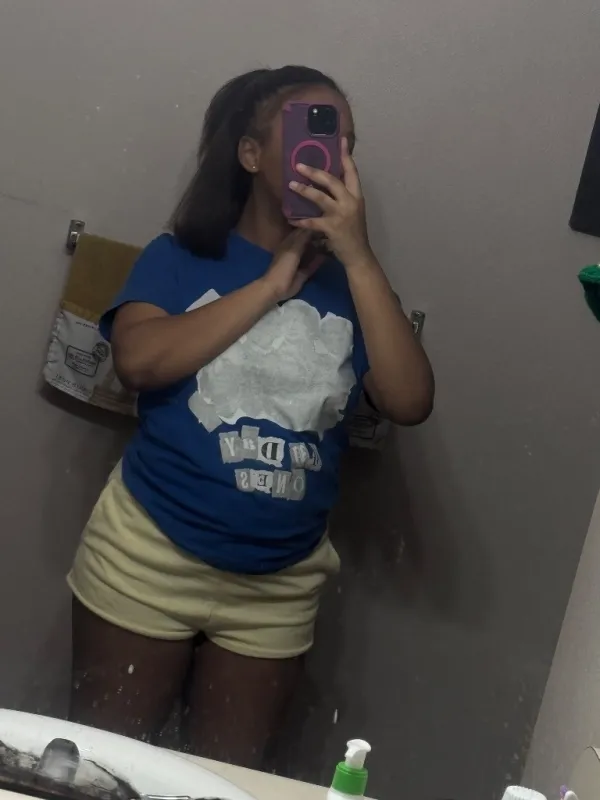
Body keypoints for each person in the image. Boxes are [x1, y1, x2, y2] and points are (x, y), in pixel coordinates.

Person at [67, 65, 434, 767]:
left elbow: (409, 401)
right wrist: (270, 287)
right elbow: (137, 362)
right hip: (147, 554)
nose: (332, 155)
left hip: (279, 585)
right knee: (102, 774)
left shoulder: (355, 285)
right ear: (250, 153)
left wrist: (358, 257)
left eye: (346, 143)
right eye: (312, 133)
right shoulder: (179, 258)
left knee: (227, 784)